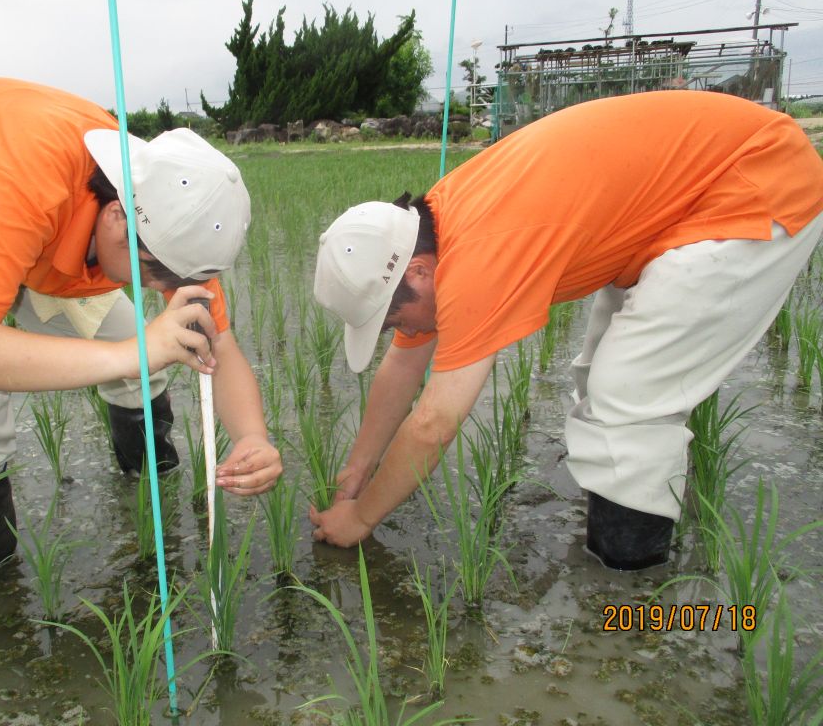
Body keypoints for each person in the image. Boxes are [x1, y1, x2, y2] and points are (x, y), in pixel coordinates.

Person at [310, 90, 823, 570]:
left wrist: (359, 518)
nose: (400, 332)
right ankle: (637, 513)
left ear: (418, 272)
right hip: (683, 203)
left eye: (394, 318)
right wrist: (360, 468)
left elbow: (434, 422)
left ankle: (628, 589)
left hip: (754, 182)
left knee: (627, 400)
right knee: (598, 379)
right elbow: (402, 364)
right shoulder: (434, 231)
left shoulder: (479, 255)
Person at [0, 77, 281, 569]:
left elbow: (221, 346)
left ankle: (149, 484)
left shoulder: (176, 212)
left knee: (143, 357)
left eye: (179, 279)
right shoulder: (28, 175)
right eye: (156, 274)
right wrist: (129, 353)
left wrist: (253, 438)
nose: (163, 289)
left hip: (32, 233)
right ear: (117, 215)